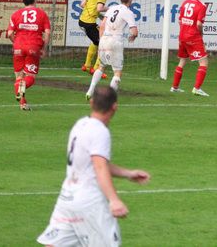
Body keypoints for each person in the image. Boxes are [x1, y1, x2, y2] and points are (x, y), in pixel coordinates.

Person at [36, 86, 150, 246]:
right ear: (115, 107)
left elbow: (93, 163)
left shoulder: (80, 124)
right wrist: (114, 200)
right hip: (90, 203)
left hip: (67, 198)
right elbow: (99, 167)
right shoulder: (100, 131)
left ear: (91, 102)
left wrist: (128, 174)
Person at [86, 0, 139, 99]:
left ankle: (90, 91)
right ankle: (108, 98)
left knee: (101, 66)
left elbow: (102, 26)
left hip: (104, 39)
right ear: (130, 0)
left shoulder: (112, 8)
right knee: (117, 73)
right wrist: (133, 37)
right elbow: (134, 31)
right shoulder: (128, 12)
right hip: (115, 41)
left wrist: (101, 40)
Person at [7, 0, 51, 111]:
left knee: (19, 77)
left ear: (23, 1)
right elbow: (47, 33)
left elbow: (9, 33)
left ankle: (23, 103)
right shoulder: (42, 14)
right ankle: (20, 91)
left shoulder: (16, 14)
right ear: (35, 0)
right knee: (30, 77)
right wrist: (44, 49)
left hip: (18, 47)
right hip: (33, 46)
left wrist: (16, 43)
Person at [170, 0, 209, 96]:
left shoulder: (185, 2)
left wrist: (184, 31)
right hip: (193, 36)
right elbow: (199, 24)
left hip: (182, 35)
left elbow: (180, 20)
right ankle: (197, 88)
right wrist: (201, 35)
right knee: (203, 62)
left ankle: (174, 87)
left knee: (182, 61)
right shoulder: (202, 6)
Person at [80, 0, 110, 76]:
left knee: (96, 41)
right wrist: (110, 9)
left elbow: (82, 4)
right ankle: (97, 69)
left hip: (83, 21)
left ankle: (87, 65)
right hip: (89, 23)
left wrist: (95, 14)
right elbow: (99, 8)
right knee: (104, 43)